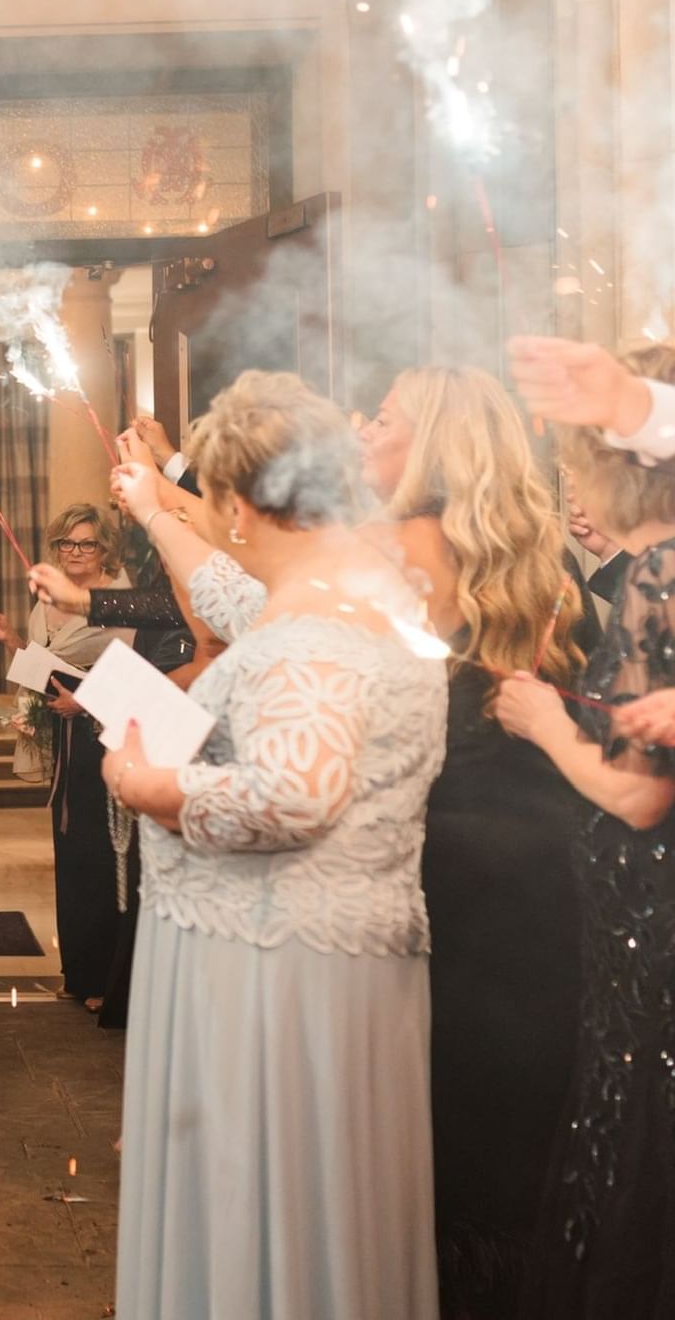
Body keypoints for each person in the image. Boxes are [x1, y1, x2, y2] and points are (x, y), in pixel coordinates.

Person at [101, 370, 446, 1318]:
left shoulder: (317, 629)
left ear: (244, 507)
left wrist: (148, 783)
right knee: (314, 1219)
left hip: (270, 976)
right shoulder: (355, 590)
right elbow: (253, 615)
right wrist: (158, 512)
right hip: (321, 958)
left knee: (263, 1209)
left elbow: (296, 791)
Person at [357, 364, 598, 1317]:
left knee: (445, 1141)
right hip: (532, 876)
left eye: (380, 417)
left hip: (449, 872)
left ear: (428, 447)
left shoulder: (405, 554)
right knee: (505, 1144)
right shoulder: (532, 560)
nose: (362, 429)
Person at [493, 342, 675, 1319]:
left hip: (649, 907)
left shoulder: (661, 574)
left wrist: (550, 725)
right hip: (639, 913)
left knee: (636, 1122)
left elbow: (642, 797)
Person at [0, 503, 133, 1010]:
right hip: (68, 735)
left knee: (108, 856)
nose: (74, 553)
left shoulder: (124, 596)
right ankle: (79, 972)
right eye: (65, 543)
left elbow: (141, 669)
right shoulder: (48, 600)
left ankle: (111, 979)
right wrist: (10, 638)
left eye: (85, 543)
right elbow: (49, 672)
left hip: (111, 734)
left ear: (105, 548)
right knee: (72, 852)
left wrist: (85, 702)